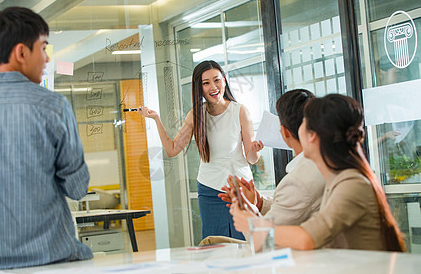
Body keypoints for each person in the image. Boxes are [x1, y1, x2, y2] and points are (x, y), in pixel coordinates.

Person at [0, 7, 93, 271]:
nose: (47, 59)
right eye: (43, 48)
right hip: (51, 257)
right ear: (21, 52)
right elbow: (77, 187)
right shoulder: (52, 106)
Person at [231, 94, 406, 252]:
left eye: (303, 123)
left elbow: (307, 238)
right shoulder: (339, 176)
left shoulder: (351, 184)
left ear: (312, 135)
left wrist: (252, 224)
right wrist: (256, 209)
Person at [138, 60, 263, 240]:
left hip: (240, 191)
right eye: (206, 83)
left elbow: (252, 159)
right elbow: (172, 149)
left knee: (245, 243)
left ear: (224, 81)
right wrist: (156, 119)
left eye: (217, 80)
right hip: (210, 191)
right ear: (200, 88)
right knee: (214, 246)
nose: (213, 87)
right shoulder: (196, 114)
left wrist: (255, 149)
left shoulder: (240, 111)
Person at [200, 89, 325, 245]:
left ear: (284, 132)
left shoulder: (298, 180)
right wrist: (258, 202)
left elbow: (264, 241)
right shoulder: (321, 166)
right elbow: (292, 208)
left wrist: (244, 211)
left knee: (210, 244)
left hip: (293, 256)